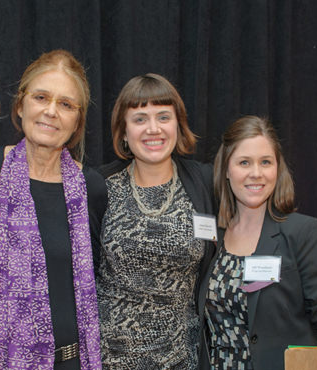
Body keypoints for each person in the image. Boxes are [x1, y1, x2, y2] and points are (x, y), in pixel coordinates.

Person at [0, 49, 106, 370]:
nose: (51, 112)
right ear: (21, 104)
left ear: (77, 120)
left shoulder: (91, 187)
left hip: (66, 363)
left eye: (66, 104)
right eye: (41, 97)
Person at [199, 115, 317, 370]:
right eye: (244, 162)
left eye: (266, 162)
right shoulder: (213, 238)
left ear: (277, 168)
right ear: (226, 169)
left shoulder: (301, 233)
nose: (256, 173)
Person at [96, 73, 217, 369]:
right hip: (107, 360)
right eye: (140, 119)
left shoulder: (205, 183)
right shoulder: (98, 186)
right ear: (123, 131)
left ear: (178, 124)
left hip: (180, 359)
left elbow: (253, 215)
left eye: (163, 117)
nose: (153, 129)